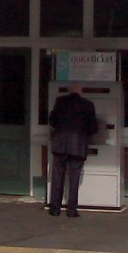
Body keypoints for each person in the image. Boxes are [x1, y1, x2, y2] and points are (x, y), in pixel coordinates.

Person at [47, 83, 98, 218]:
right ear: (80, 91)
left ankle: (55, 209)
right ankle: (71, 210)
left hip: (60, 145)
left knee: (57, 177)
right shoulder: (88, 105)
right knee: (74, 179)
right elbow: (93, 127)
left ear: (70, 91)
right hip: (78, 146)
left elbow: (52, 121)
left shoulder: (60, 101)